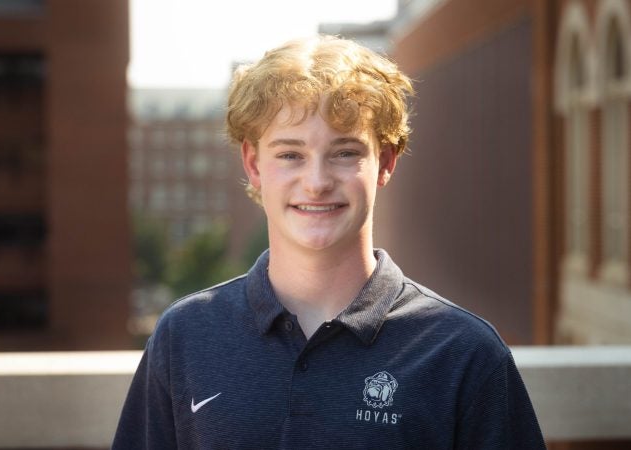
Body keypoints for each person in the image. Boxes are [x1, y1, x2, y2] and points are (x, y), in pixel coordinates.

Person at [112, 35, 546, 449]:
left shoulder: (463, 353)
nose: (317, 182)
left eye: (345, 152)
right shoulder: (185, 336)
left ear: (386, 162)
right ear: (254, 164)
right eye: (290, 154)